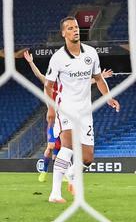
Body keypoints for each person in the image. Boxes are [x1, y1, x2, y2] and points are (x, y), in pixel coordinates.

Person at [42, 18, 120, 203]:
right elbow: (48, 86)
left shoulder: (91, 54)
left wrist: (108, 97)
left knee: (87, 158)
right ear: (64, 33)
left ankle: (71, 173)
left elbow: (99, 79)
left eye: (76, 27)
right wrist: (51, 109)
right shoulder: (58, 58)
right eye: (70, 28)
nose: (75, 30)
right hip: (66, 107)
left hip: (85, 110)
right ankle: (55, 193)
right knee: (68, 146)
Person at [23, 50, 111, 182]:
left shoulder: (66, 85)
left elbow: (84, 82)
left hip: (66, 118)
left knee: (66, 148)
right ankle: (44, 171)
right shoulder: (49, 84)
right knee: (50, 147)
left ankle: (64, 174)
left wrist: (101, 76)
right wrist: (31, 62)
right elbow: (38, 75)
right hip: (53, 121)